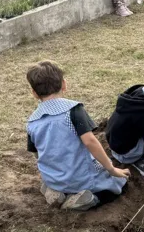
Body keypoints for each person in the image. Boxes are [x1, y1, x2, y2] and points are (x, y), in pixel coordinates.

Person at [26, 61, 130, 211]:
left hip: (52, 178)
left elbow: (37, 153)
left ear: (34, 93)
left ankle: (54, 191)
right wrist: (111, 169)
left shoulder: (32, 122)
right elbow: (90, 141)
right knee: (119, 185)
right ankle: (85, 200)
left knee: (58, 181)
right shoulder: (73, 110)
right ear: (64, 84)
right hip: (81, 179)